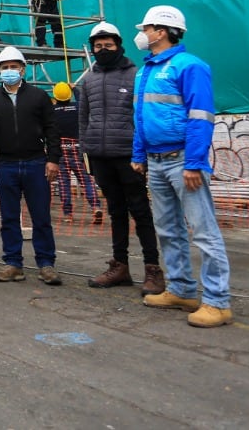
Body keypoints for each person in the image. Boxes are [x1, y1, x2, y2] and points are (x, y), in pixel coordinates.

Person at [130, 5, 231, 327]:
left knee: (204, 232)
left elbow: (201, 116)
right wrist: (138, 155)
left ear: (161, 31)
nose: (142, 35)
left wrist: (194, 162)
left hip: (182, 162)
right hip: (157, 163)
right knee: (168, 230)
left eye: (146, 29)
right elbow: (141, 118)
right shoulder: (145, 70)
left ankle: (217, 301)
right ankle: (181, 289)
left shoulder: (190, 66)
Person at [78, 22, 163, 294]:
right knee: (115, 211)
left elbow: (142, 116)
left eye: (108, 45)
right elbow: (83, 117)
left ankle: (152, 269)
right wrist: (87, 146)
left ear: (119, 45)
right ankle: (120, 266)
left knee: (140, 210)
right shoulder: (89, 79)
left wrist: (142, 153)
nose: (103, 50)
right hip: (101, 156)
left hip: (129, 156)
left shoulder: (135, 75)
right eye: (98, 46)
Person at [0, 47, 62, 284]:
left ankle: (46, 264)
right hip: (5, 165)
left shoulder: (38, 96)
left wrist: (53, 159)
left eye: (14, 67)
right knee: (9, 218)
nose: (9, 71)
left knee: (41, 217)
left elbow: (52, 129)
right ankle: (13, 263)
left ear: (23, 69)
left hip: (36, 163)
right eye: (4, 67)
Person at [50, 81, 102, 224]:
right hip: (79, 150)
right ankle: (96, 206)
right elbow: (85, 104)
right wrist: (76, 90)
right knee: (86, 181)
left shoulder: (52, 111)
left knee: (64, 183)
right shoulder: (77, 107)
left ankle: (68, 214)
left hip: (61, 152)